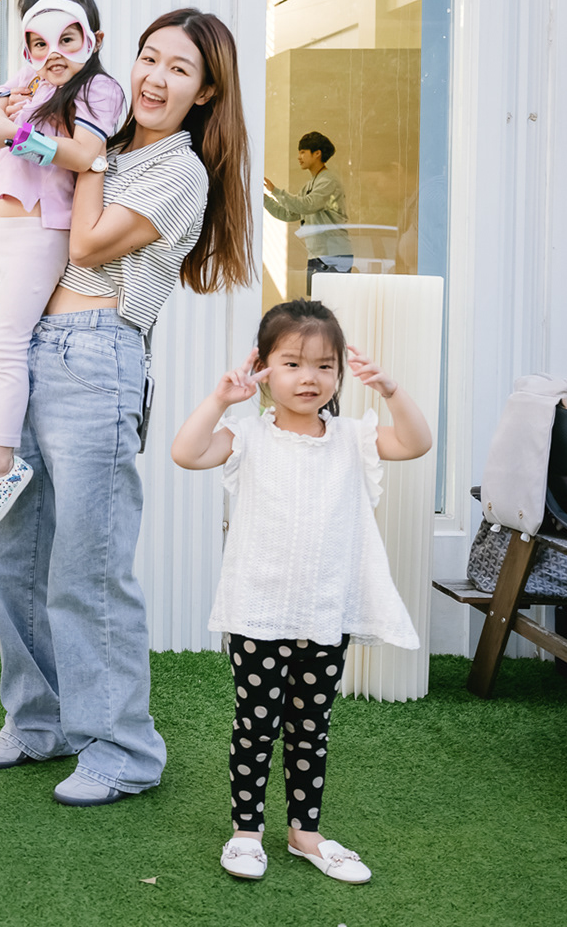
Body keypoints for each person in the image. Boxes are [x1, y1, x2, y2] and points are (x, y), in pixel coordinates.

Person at [0, 9, 255, 808]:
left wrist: (86, 155)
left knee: (87, 567)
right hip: (26, 350)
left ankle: (124, 750)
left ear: (206, 93)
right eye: (149, 58)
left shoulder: (180, 171)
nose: (156, 79)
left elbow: (88, 245)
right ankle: (40, 720)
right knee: (11, 550)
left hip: (97, 356)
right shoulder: (105, 139)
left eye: (180, 70)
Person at [169, 299, 430, 884]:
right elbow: (186, 453)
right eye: (292, 363)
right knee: (255, 724)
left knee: (312, 726)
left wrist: (391, 390)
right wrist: (219, 399)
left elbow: (416, 443)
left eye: (324, 366)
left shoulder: (354, 438)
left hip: (326, 610)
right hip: (257, 611)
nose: (309, 377)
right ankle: (246, 832)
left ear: (339, 374)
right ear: (264, 367)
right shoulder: (246, 436)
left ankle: (304, 833)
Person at [0, 0, 129, 533]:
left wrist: (16, 131)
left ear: (92, 39)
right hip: (2, 230)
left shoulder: (100, 89)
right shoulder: (35, 78)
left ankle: (1, 463)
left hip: (43, 231)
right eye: (40, 43)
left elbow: (86, 155)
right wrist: (8, 109)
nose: (53, 53)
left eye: (67, 39)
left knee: (5, 348)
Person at [263, 131, 353, 287]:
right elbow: (288, 214)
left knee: (329, 300)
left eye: (303, 152)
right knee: (318, 301)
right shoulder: (310, 185)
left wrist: (276, 191)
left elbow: (307, 205)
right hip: (317, 255)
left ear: (317, 153)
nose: (299, 157)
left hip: (333, 256)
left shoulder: (328, 181)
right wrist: (263, 199)